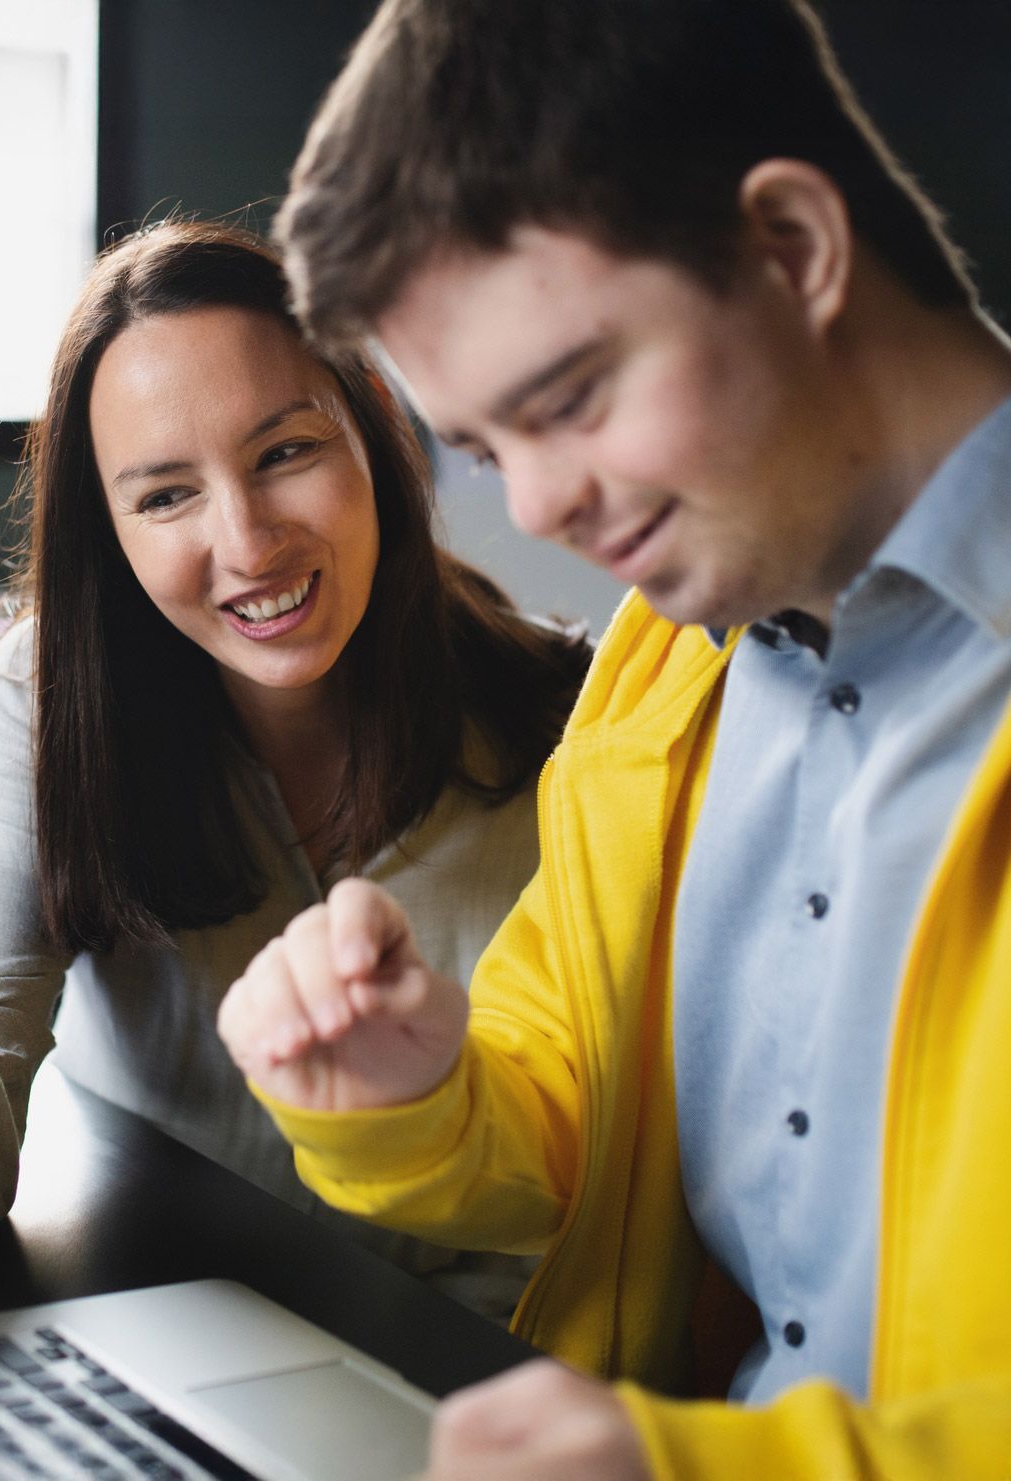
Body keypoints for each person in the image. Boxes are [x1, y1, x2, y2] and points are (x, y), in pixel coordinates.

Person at [214, 0, 1011, 1476]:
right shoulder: (665, 655)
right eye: (479, 448)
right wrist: (414, 1085)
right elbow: (584, 1112)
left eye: (568, 399)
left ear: (790, 248)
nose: (533, 511)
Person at [0, 224, 589, 1309]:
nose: (248, 541)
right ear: (108, 529)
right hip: (182, 1340)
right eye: (165, 495)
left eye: (284, 452)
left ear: (372, 431)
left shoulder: (576, 715)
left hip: (506, 1385)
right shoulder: (46, 703)